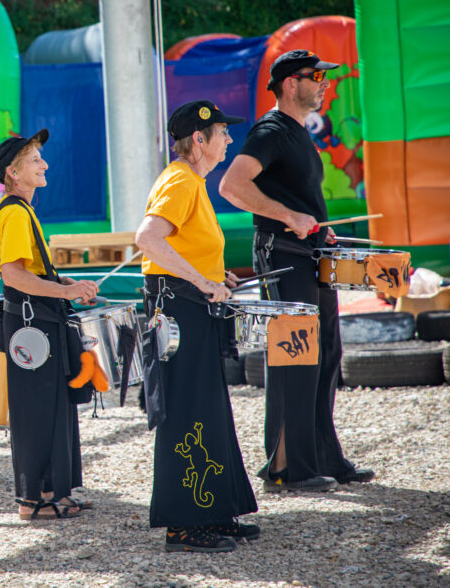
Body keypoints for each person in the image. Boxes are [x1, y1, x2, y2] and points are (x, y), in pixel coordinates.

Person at [219, 50, 374, 492]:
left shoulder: (297, 131)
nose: (325, 83)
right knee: (295, 359)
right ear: (290, 83)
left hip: (308, 254)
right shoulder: (270, 130)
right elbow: (232, 185)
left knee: (325, 354)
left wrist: (316, 229)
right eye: (316, 76)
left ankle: (326, 457)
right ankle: (286, 468)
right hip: (281, 254)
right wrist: (289, 216)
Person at [134, 100, 259, 552]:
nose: (229, 139)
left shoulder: (193, 182)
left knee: (208, 407)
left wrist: (213, 273)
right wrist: (201, 279)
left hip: (191, 307)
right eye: (223, 132)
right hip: (179, 312)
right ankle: (184, 524)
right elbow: (148, 239)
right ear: (199, 139)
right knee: (188, 408)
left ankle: (215, 512)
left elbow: (184, 246)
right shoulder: (180, 180)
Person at [0, 129, 97, 521]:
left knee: (50, 406)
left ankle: (52, 491)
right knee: (37, 408)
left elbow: (33, 272)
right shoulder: (15, 212)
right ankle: (33, 501)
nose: (45, 164)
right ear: (13, 173)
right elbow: (14, 277)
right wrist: (66, 294)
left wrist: (66, 283)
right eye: (36, 160)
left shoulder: (22, 210)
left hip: (36, 321)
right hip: (30, 326)